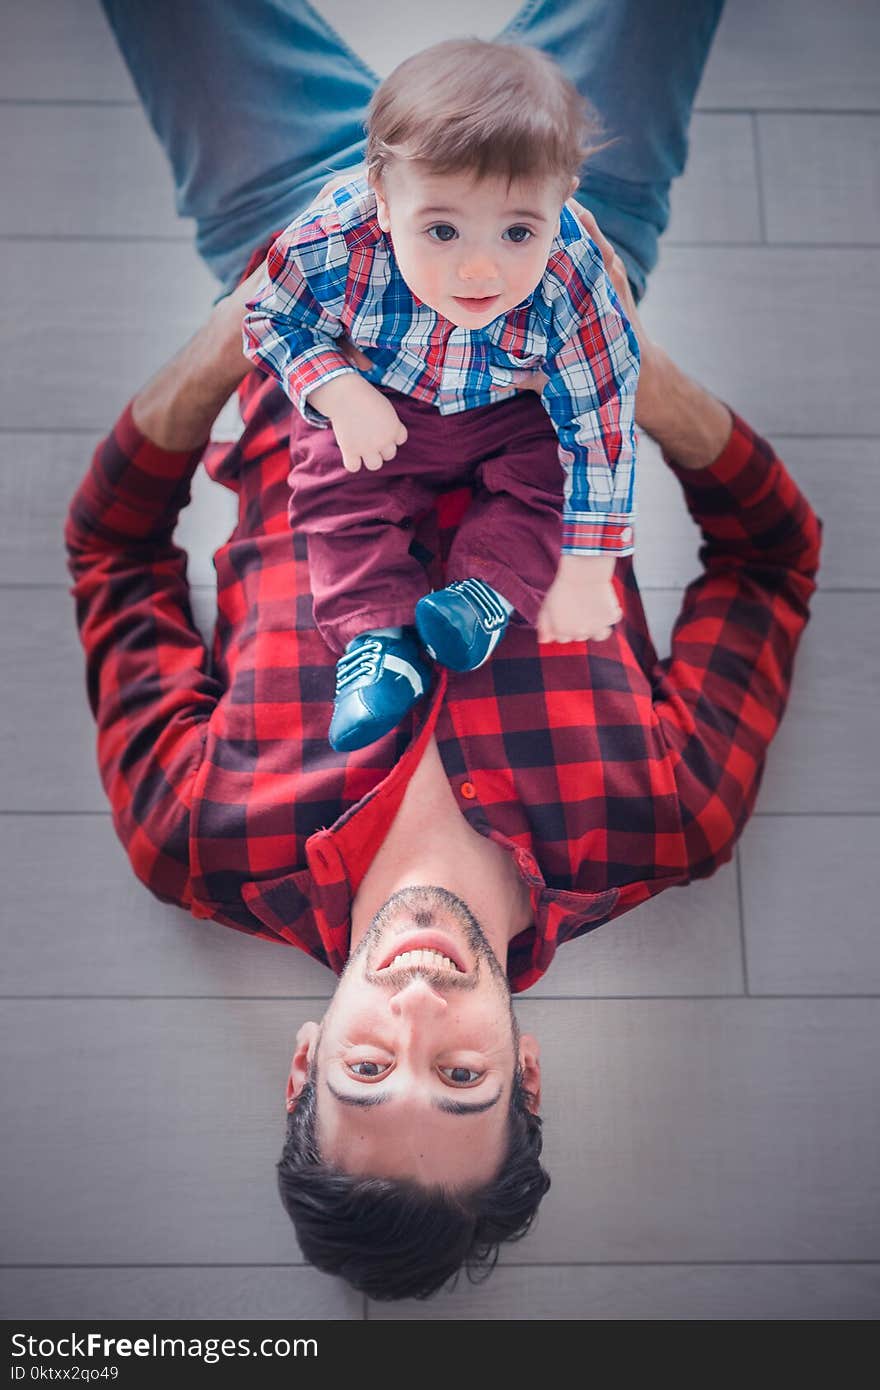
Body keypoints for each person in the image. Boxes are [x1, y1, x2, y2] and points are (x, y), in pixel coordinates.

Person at [66, 1, 821, 1303]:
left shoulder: (195, 837)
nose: (414, 1015)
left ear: (308, 1058)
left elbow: (113, 558)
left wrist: (235, 337)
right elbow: (773, 556)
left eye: (369, 1068)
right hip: (554, 255)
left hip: (303, 282)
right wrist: (625, 368)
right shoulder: (662, 818)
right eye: (459, 1077)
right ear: (525, 1072)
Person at [242, 40, 639, 752]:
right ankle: (377, 643)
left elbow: (602, 416)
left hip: (512, 410)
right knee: (336, 492)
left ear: (563, 199)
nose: (480, 266)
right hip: (383, 401)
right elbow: (270, 316)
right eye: (443, 229)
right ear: (385, 202)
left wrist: (590, 566)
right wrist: (335, 388)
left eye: (520, 229)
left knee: (553, 479)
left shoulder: (573, 273)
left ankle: (483, 596)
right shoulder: (335, 237)